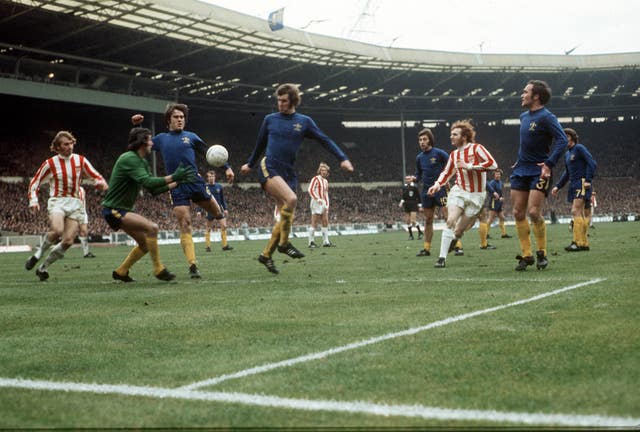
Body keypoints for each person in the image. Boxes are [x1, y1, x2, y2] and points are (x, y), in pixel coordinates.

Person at [241, 83, 354, 274]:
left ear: (293, 100)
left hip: (288, 172)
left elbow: (324, 140)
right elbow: (260, 144)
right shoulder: (270, 119)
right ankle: (284, 244)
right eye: (278, 100)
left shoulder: (304, 121)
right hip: (269, 166)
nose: (280, 104)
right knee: (291, 200)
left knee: (284, 217)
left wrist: (342, 158)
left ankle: (266, 255)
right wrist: (250, 164)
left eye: (284, 101)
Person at [132, 103, 235, 279]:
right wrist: (137, 126)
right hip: (177, 184)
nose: (180, 120)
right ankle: (193, 265)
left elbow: (208, 152)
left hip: (195, 181)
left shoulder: (191, 137)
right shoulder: (162, 138)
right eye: (176, 117)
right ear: (168, 120)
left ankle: (221, 234)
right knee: (185, 223)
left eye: (182, 117)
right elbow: (141, 142)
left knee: (217, 213)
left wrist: (227, 167)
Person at [102, 127, 197, 282]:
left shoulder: (141, 162)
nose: (152, 143)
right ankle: (159, 269)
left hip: (121, 210)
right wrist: (174, 176)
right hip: (114, 209)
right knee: (152, 228)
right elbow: (148, 181)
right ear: (142, 142)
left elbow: (152, 189)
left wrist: (178, 181)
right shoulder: (129, 158)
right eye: (150, 139)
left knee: (145, 244)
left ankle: (121, 271)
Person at [25, 131, 108, 281]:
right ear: (57, 147)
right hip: (58, 200)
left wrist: (100, 183)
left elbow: (97, 176)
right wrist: (33, 200)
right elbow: (35, 181)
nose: (69, 147)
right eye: (65, 144)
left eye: (71, 143)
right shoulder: (50, 163)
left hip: (75, 203)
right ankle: (37, 254)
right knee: (57, 230)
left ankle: (43, 268)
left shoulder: (80, 160)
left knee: (68, 241)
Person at [510, 80, 568, 271]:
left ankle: (541, 252)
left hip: (538, 170)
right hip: (521, 169)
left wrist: (549, 164)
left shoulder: (547, 117)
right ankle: (526, 255)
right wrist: (519, 159)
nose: (521, 94)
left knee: (533, 212)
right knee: (518, 212)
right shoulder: (523, 116)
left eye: (525, 92)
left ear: (536, 96)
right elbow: (525, 143)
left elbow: (562, 140)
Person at [427, 120, 497, 268]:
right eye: (451, 134)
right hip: (459, 191)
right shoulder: (453, 155)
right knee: (450, 220)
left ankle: (454, 239)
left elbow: (493, 164)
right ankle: (441, 259)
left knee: (458, 231)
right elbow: (447, 172)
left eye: (454, 134)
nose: (451, 137)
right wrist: (437, 184)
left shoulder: (477, 149)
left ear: (464, 137)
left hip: (477, 196)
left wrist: (470, 166)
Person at [551, 127, 597, 252]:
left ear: (572, 137)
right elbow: (566, 173)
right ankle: (584, 243)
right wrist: (558, 186)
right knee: (580, 213)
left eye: (566, 135)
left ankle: (576, 242)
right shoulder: (567, 154)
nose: (564, 137)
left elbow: (592, 163)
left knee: (575, 211)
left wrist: (588, 179)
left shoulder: (579, 148)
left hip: (581, 182)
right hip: (573, 184)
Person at [411, 128, 449, 257]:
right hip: (426, 192)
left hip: (441, 189)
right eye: (420, 140)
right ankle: (426, 249)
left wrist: (446, 179)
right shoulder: (419, 158)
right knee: (428, 220)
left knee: (448, 218)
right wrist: (414, 178)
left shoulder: (439, 153)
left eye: (424, 139)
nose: (422, 142)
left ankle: (457, 246)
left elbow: (451, 164)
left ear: (430, 140)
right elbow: (419, 175)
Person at [201, 170, 233, 252]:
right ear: (207, 178)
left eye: (212, 176)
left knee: (224, 226)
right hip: (209, 210)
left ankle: (225, 245)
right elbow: (201, 199)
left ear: (215, 177)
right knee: (208, 228)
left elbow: (222, 199)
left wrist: (225, 209)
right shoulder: (205, 187)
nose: (211, 178)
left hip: (219, 210)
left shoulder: (219, 186)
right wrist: (199, 210)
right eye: (209, 176)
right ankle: (208, 247)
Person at [307, 162, 335, 247]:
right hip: (316, 202)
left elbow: (325, 194)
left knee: (325, 221)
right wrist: (317, 198)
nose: (323, 172)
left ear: (327, 172)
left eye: (325, 170)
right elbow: (310, 190)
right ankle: (311, 242)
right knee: (314, 222)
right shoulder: (315, 179)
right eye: (322, 170)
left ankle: (325, 242)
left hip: (323, 203)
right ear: (319, 171)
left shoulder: (326, 181)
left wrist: (326, 204)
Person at [485, 169, 511, 240]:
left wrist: (501, 197)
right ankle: (485, 234)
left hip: (499, 203)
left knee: (502, 218)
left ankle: (504, 234)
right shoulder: (492, 183)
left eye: (499, 174)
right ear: (494, 175)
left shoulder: (500, 182)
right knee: (490, 219)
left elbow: (500, 192)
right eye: (496, 174)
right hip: (493, 202)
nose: (498, 175)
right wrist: (496, 198)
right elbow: (490, 192)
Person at [399, 175, 422, 241]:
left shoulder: (414, 187)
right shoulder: (404, 187)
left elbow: (418, 196)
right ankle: (411, 235)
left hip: (413, 204)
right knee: (408, 221)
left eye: (409, 179)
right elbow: (403, 197)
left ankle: (420, 232)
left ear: (411, 180)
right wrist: (401, 202)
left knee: (413, 221)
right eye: (406, 179)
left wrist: (420, 206)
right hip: (406, 204)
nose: (407, 180)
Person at [77, 186, 96, 258]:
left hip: (82, 213)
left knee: (84, 232)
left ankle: (86, 253)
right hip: (73, 213)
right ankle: (58, 251)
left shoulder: (82, 189)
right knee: (68, 234)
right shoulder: (69, 189)